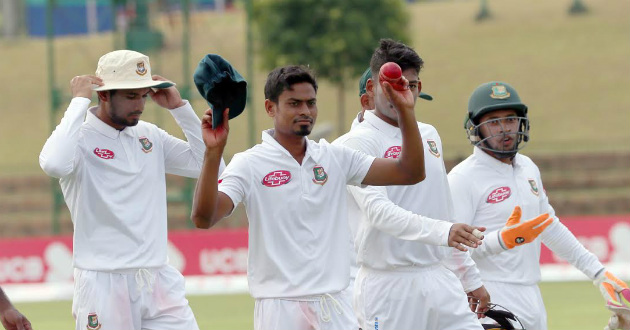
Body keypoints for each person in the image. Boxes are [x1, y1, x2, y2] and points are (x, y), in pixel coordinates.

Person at [191, 64, 426, 330]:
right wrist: (213, 153)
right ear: (270, 108)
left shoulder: (335, 157)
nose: (305, 111)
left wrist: (406, 111)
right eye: (294, 103)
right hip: (280, 310)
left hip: (336, 307)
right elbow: (204, 218)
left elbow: (410, 172)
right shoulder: (249, 163)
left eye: (311, 103)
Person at [334, 38, 504, 330]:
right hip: (388, 285)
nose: (402, 92)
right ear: (372, 89)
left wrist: (470, 278)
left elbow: (443, 212)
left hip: (439, 277)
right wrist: (444, 231)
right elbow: (379, 212)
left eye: (410, 85)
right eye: (393, 84)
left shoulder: (429, 135)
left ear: (419, 88)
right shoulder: (355, 144)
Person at [39, 50, 213, 330]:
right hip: (103, 282)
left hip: (158, 278)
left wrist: (180, 108)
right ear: (104, 94)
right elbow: (54, 164)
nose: (141, 104)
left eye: (143, 95)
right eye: (131, 96)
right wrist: (78, 102)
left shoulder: (149, 134)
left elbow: (208, 163)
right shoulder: (79, 139)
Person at [448, 81, 630, 330]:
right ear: (476, 128)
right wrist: (501, 240)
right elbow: (451, 251)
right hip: (487, 297)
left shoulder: (528, 168)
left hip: (531, 296)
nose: (504, 129)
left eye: (510, 119)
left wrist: (598, 274)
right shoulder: (462, 178)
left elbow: (548, 226)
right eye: (494, 121)